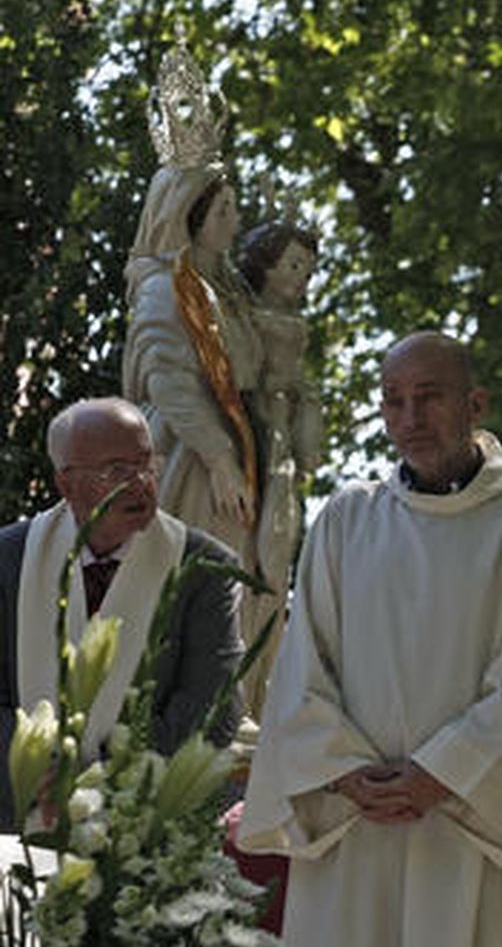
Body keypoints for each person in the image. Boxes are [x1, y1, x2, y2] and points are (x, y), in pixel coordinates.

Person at [238, 331, 502, 947]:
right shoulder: (346, 522)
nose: (409, 419)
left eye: (428, 398)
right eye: (394, 402)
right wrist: (346, 773)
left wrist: (438, 774)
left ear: (476, 404)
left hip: (473, 829)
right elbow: (301, 667)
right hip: (359, 828)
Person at [0, 398, 242, 827]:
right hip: (17, 812)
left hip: (142, 825)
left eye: (146, 465)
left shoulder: (205, 569)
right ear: (66, 484)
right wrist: (34, 764)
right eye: (116, 471)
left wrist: (102, 782)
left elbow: (212, 708)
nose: (141, 484)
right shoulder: (9, 559)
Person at [122, 44, 272, 668]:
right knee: (190, 588)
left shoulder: (228, 293)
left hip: (235, 449)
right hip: (188, 458)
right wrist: (217, 459)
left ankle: (228, 702)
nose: (235, 222)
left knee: (234, 588)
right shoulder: (165, 288)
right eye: (225, 210)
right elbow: (170, 381)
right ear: (191, 216)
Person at [234, 218, 325, 716]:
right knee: (252, 549)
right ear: (265, 261)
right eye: (294, 264)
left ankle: (264, 672)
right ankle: (240, 670)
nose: (301, 278)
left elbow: (303, 389)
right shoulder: (241, 312)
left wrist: (309, 435)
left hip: (281, 438)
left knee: (278, 551)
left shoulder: (297, 324)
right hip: (251, 434)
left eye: (308, 271)